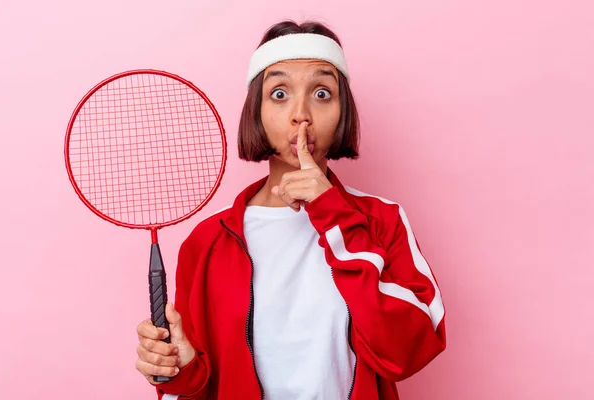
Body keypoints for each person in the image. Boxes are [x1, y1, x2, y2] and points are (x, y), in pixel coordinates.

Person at [135, 20, 446, 400]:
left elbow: (408, 351)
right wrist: (181, 372)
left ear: (342, 111)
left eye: (321, 93)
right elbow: (197, 387)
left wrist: (333, 212)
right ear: (257, 112)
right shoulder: (207, 242)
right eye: (279, 93)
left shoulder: (382, 220)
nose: (301, 114)